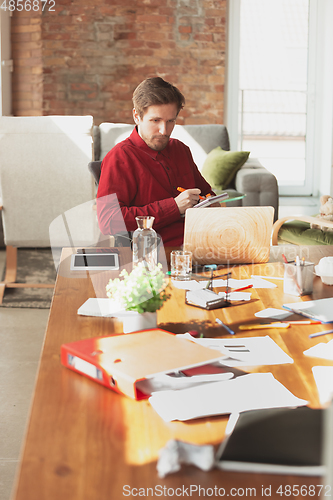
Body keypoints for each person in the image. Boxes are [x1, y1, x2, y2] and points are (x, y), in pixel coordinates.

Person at [97, 77, 216, 247]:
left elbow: (206, 193)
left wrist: (211, 203)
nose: (164, 130)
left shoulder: (181, 150)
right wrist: (174, 207)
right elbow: (108, 221)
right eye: (155, 121)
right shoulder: (119, 157)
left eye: (170, 121)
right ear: (137, 116)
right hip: (160, 254)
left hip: (205, 242)